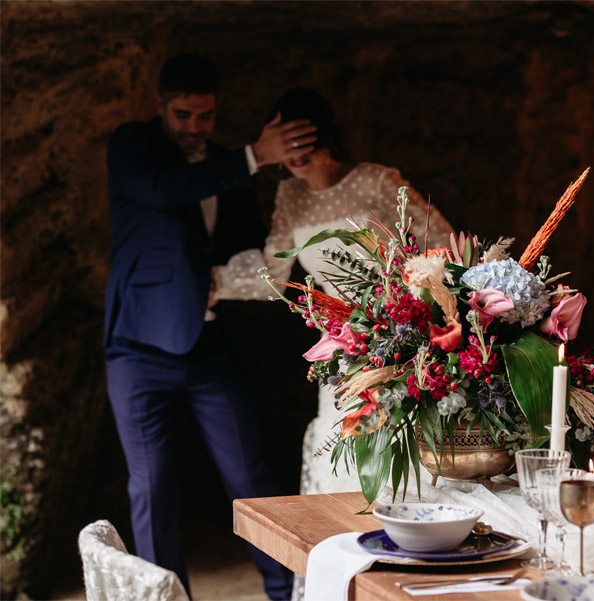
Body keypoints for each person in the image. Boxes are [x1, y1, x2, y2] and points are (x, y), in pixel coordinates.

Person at [104, 54, 315, 600]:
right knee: (152, 487)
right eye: (183, 115)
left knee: (249, 478)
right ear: (159, 106)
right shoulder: (132, 146)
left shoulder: (229, 167)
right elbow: (164, 191)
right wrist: (253, 155)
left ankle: (286, 591)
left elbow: (246, 248)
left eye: (206, 116)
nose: (195, 128)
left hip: (213, 345)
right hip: (137, 348)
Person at [215, 87, 454, 496]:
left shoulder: (376, 179)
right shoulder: (289, 195)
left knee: (400, 436)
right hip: (341, 338)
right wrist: (210, 284)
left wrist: (414, 297)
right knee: (342, 436)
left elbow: (444, 246)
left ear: (323, 134)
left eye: (303, 138)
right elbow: (272, 271)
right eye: (284, 142)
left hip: (399, 330)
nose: (295, 152)